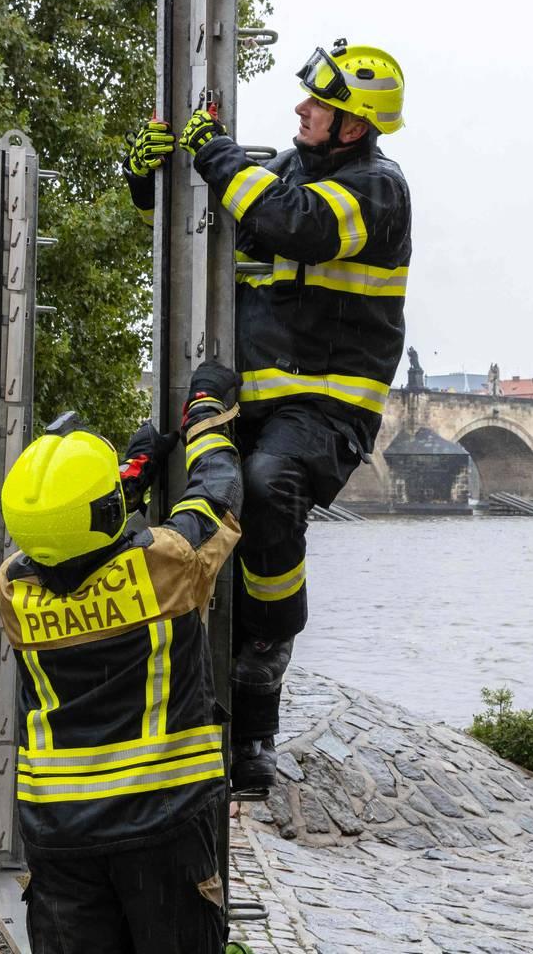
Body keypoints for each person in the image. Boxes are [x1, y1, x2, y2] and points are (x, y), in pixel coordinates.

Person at [125, 39, 411, 790]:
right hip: (258, 395)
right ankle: (182, 703)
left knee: (269, 480)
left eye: (317, 103)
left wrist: (214, 152)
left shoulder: (378, 188)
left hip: (327, 406)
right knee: (189, 489)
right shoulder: (285, 173)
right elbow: (209, 221)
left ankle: (263, 671)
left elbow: (294, 223)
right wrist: (150, 174)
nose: (301, 109)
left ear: (352, 127)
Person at [0, 360, 242, 954]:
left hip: (57, 835)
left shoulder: (12, 588)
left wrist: (132, 470)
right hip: (161, 825)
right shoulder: (168, 564)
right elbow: (216, 491)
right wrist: (205, 416)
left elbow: (75, 535)